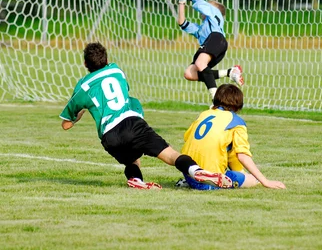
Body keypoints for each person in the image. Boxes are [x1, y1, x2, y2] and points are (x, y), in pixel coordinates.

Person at [59, 42, 233, 190]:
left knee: (132, 160)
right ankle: (197, 171)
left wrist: (81, 110)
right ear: (106, 60)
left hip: (109, 136)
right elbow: (123, 91)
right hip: (131, 123)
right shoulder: (116, 70)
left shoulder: (83, 87)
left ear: (85, 64)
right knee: (171, 156)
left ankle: (136, 180)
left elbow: (66, 124)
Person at [179, 84, 286, 190]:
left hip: (189, 173)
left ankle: (193, 180)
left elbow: (187, 138)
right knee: (253, 179)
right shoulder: (236, 122)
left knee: (227, 148)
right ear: (238, 104)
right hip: (211, 181)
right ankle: (217, 178)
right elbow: (242, 156)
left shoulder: (204, 114)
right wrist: (265, 181)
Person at [151, 0, 243, 99]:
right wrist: (181, 1)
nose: (204, 7)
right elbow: (182, 23)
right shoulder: (201, 30)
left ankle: (215, 98)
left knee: (200, 62)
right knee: (190, 73)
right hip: (211, 45)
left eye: (208, 5)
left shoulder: (215, 15)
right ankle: (229, 72)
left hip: (216, 39)